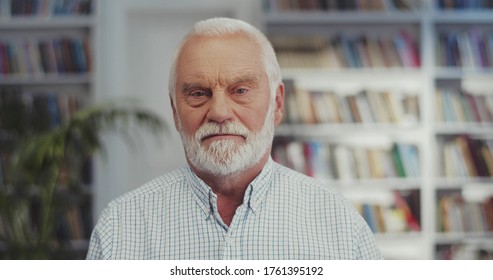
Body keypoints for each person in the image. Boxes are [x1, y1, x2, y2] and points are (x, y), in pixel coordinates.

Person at [86, 17, 383, 260]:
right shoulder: (121, 227)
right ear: (176, 111)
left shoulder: (340, 223)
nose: (219, 112)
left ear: (277, 105)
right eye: (198, 93)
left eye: (240, 90)